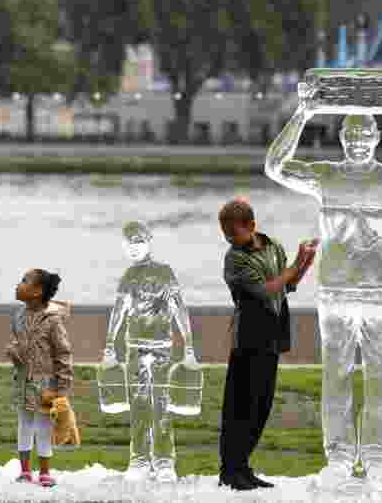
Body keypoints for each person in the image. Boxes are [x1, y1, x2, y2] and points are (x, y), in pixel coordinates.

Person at [265, 96, 382, 493]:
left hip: (381, 293)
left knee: (380, 379)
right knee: (335, 378)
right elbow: (275, 166)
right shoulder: (325, 176)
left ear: (378, 137)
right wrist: (303, 113)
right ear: (341, 137)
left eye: (365, 132)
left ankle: (379, 461)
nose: (358, 140)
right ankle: (338, 460)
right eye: (351, 133)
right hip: (335, 292)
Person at [217, 199, 316, 491]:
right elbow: (265, 289)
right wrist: (295, 264)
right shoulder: (234, 258)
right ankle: (230, 469)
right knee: (240, 404)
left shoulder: (273, 247)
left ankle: (242, 467)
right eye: (225, 233)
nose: (228, 239)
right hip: (248, 333)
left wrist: (305, 262)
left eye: (232, 233)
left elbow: (288, 285)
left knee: (261, 404)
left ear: (251, 226)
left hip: (272, 331)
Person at [101, 221, 198, 483]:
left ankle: (165, 461)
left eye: (138, 242)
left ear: (149, 242)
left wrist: (189, 347)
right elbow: (118, 312)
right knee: (138, 406)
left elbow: (180, 309)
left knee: (162, 405)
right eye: (129, 243)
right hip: (135, 347)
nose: (133, 248)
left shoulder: (166, 273)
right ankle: (140, 461)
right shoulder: (128, 277)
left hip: (162, 349)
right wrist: (109, 345)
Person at [6, 268, 76, 488]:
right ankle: (25, 471)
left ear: (37, 292)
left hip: (46, 385)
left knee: (43, 426)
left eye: (24, 281)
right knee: (24, 424)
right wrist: (15, 352)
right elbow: (21, 342)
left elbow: (63, 354)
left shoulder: (53, 321)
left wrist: (62, 390)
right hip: (22, 382)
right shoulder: (17, 316)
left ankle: (45, 472)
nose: (18, 285)